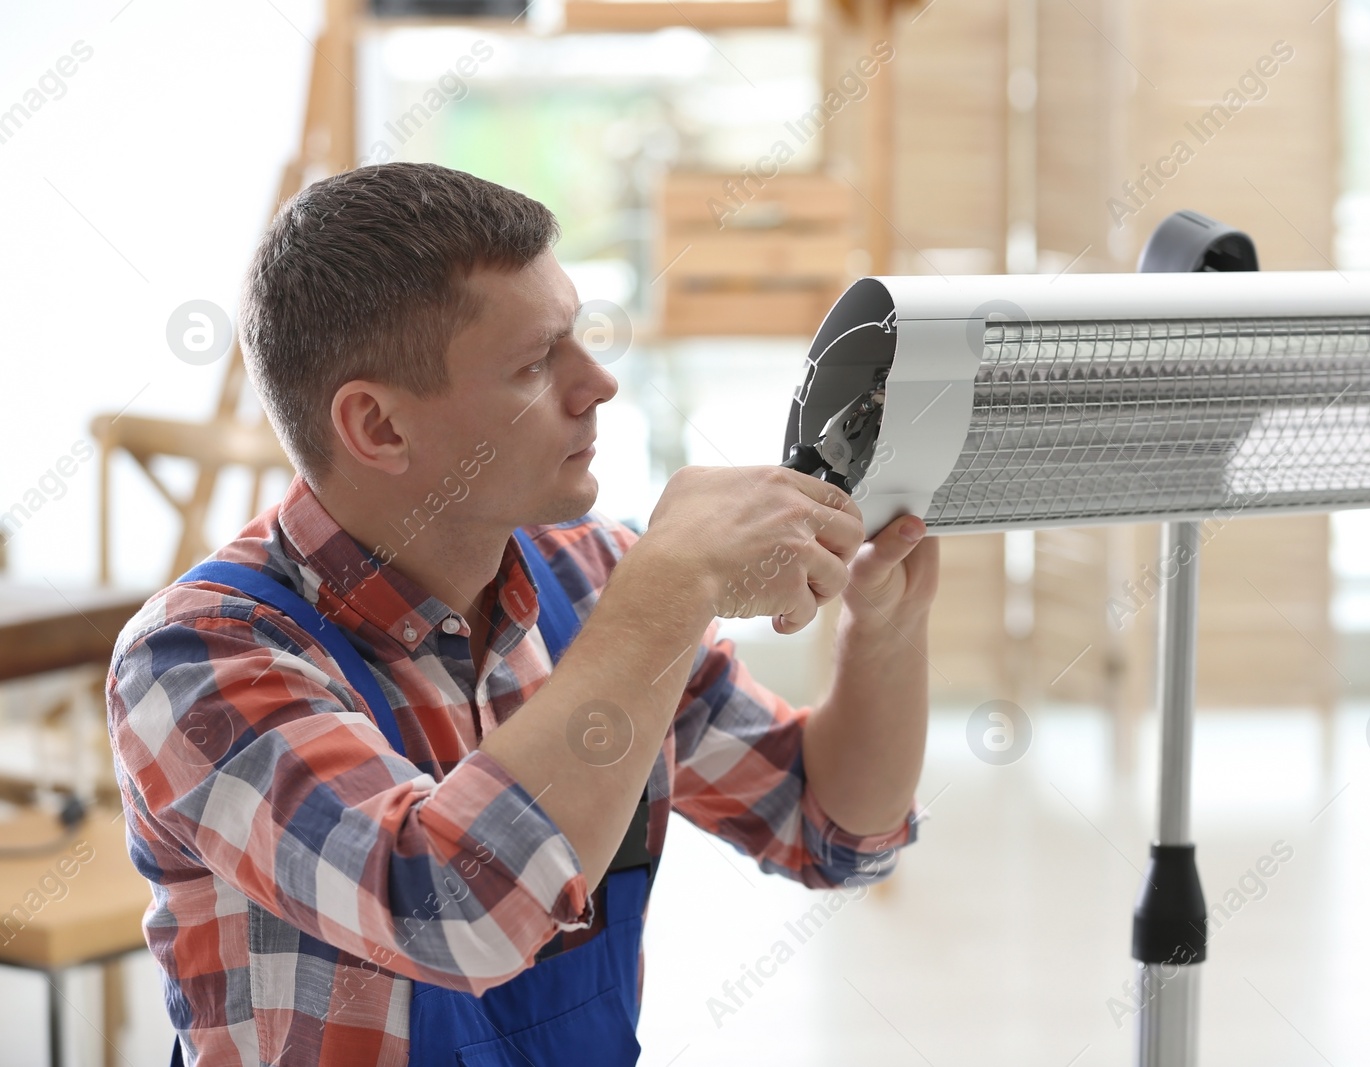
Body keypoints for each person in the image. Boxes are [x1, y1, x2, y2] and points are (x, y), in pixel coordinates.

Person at [106, 162, 938, 1066]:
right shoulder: (197, 661)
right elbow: (449, 911)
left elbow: (828, 826)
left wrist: (882, 627)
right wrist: (670, 588)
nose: (598, 383)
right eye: (537, 362)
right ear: (379, 427)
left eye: (579, 335)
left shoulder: (594, 584)